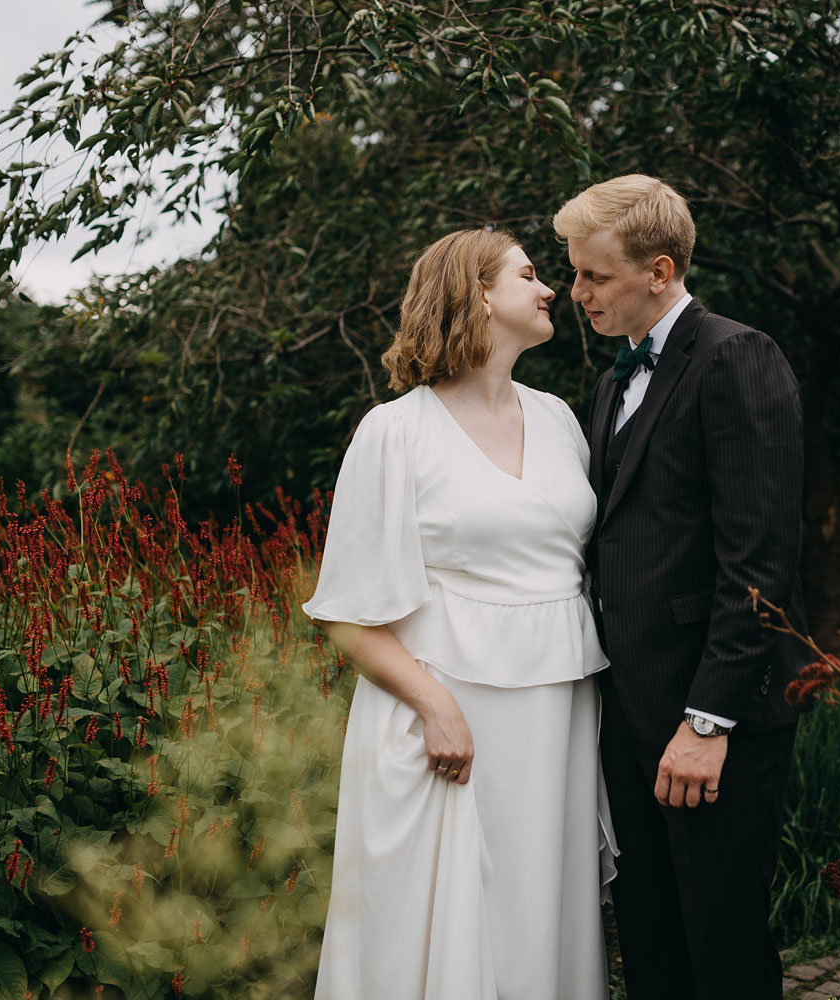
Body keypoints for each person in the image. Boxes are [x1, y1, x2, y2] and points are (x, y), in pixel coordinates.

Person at [301, 228, 615, 1000]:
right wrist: (436, 708)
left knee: (539, 909)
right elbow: (346, 613)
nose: (551, 291)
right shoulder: (395, 432)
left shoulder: (560, 420)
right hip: (443, 721)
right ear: (476, 293)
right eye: (531, 274)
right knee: (439, 921)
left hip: (558, 715)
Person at [553, 174, 811, 999]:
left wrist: (708, 719)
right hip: (626, 717)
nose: (576, 291)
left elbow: (759, 561)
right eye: (573, 271)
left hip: (711, 723)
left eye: (594, 274)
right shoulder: (608, 383)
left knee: (723, 949)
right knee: (653, 949)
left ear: (659, 271)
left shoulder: (737, 356)